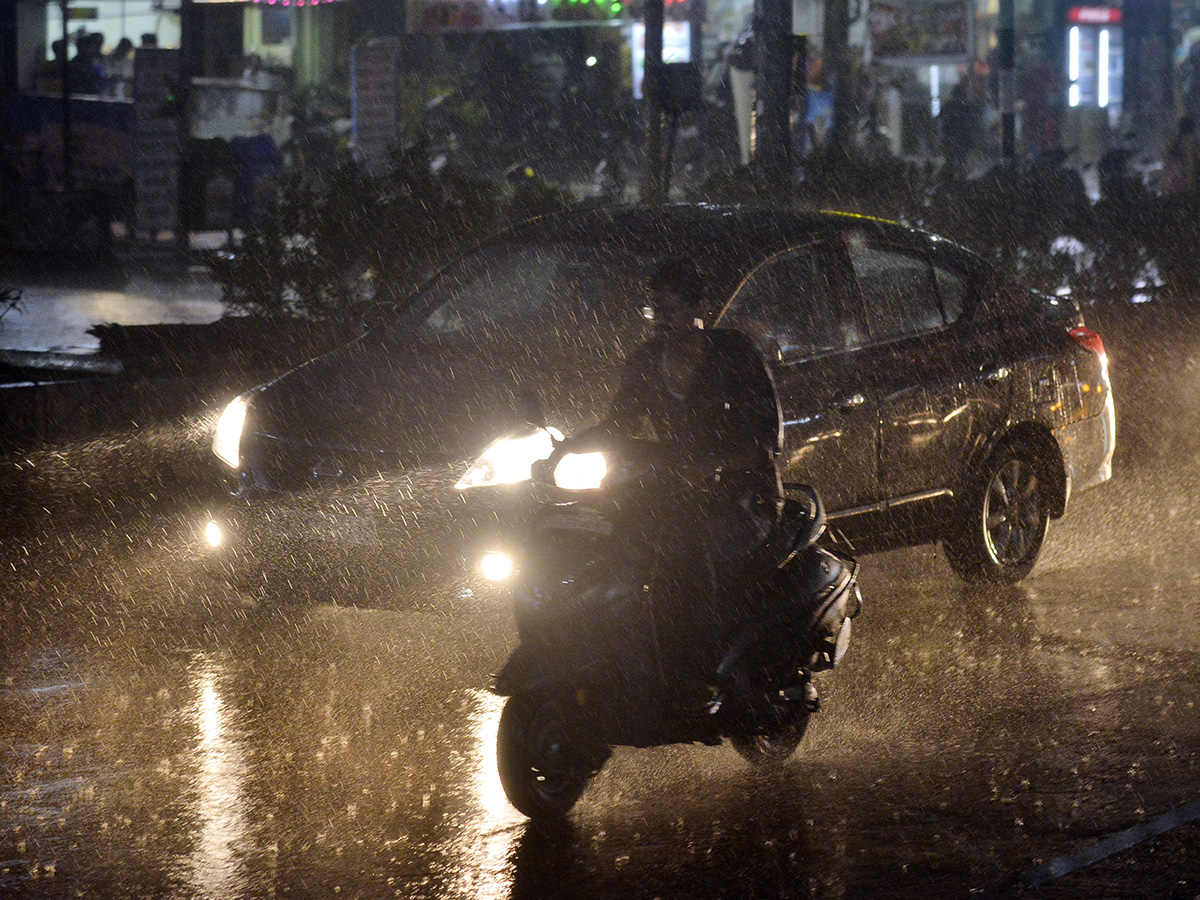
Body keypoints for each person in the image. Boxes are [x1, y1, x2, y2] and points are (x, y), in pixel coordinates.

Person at [574, 257, 785, 704]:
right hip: (675, 488)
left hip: (743, 493)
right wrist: (564, 448)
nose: (660, 322)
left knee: (685, 550)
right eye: (654, 311)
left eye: (669, 309)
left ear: (699, 309)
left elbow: (765, 438)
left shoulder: (735, 355)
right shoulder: (646, 362)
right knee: (611, 535)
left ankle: (700, 673)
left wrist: (718, 464)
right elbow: (618, 424)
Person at [1161, 116, 1200, 198]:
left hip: (1171, 181)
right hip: (1187, 181)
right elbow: (1192, 161)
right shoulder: (1191, 142)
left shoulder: (1172, 142)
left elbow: (1165, 159)